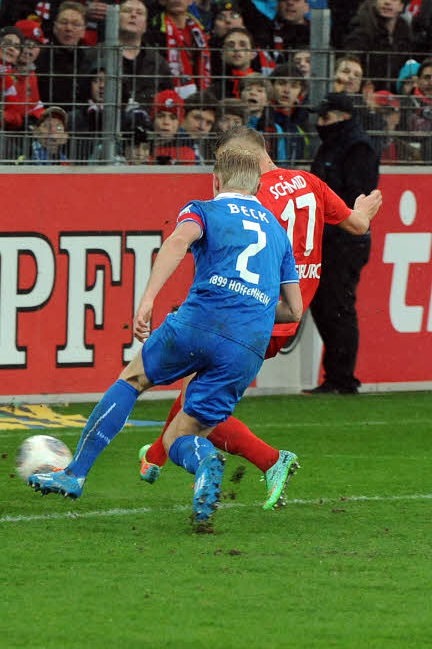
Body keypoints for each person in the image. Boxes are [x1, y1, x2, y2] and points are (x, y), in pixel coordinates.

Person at [29, 147, 303, 529]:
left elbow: (178, 241)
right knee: (180, 437)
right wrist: (249, 303)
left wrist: (147, 300)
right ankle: (204, 462)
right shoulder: (279, 234)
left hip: (201, 321)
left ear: (216, 181)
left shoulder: (205, 209)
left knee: (133, 379)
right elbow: (293, 310)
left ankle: (74, 474)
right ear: (257, 186)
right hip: (248, 345)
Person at [137, 126, 382, 508]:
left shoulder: (250, 201)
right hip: (286, 313)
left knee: (202, 412)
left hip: (250, 313)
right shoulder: (310, 182)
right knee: (194, 391)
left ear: (244, 161)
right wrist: (364, 210)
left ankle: (271, 460)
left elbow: (236, 264)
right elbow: (357, 225)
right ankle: (154, 457)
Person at [306, 92, 380, 395]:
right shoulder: (335, 144)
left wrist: (337, 229)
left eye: (325, 117)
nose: (319, 123)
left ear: (343, 117)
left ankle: (342, 378)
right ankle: (336, 377)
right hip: (329, 238)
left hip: (345, 239)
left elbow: (354, 197)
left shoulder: (357, 148)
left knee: (337, 305)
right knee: (325, 305)